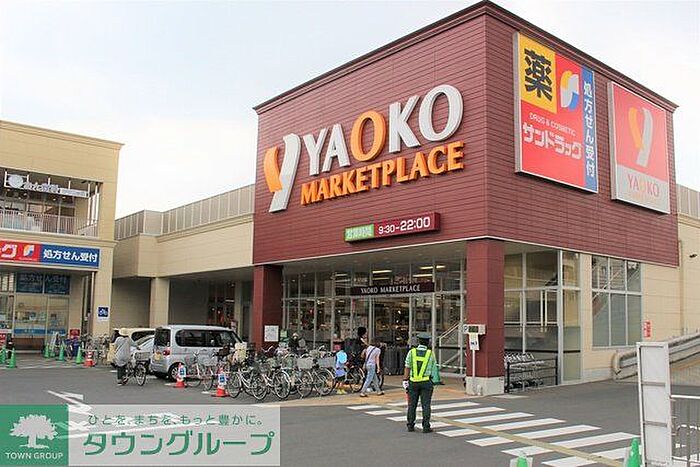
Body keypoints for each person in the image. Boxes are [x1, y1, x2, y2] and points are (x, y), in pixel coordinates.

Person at [403, 332, 438, 433]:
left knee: (412, 405)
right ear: (428, 342)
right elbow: (434, 369)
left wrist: (405, 380)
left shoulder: (411, 352)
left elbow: (407, 367)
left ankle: (410, 425)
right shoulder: (430, 354)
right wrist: (435, 381)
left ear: (418, 341)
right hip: (426, 382)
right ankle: (426, 426)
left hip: (413, 382)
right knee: (426, 405)